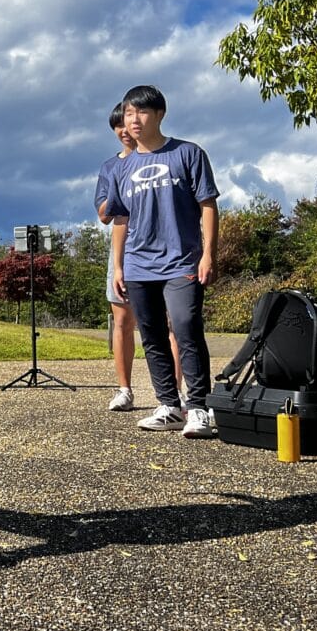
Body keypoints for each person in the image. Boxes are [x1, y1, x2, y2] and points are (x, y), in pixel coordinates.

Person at [104, 85, 219, 438]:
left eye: (141, 113)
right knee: (152, 336)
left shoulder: (187, 154)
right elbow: (119, 220)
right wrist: (120, 267)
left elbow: (208, 205)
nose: (133, 120)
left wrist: (208, 254)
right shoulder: (121, 168)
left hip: (182, 261)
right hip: (138, 266)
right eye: (128, 113)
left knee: (185, 326)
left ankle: (198, 407)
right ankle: (168, 405)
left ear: (159, 115)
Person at [94, 105, 181, 412]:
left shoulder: (163, 156)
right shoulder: (111, 168)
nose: (124, 130)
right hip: (125, 251)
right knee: (123, 320)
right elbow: (105, 214)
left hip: (166, 249)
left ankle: (177, 393)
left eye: (128, 122)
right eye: (117, 126)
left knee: (172, 322)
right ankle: (125, 389)